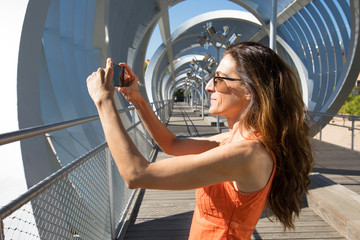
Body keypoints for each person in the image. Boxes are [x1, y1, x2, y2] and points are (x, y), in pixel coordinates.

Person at [86, 42, 314, 239]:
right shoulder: (234, 140)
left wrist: (104, 101)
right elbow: (172, 145)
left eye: (219, 80)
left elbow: (136, 174)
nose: (208, 87)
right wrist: (137, 100)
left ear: (249, 90)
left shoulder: (247, 154)